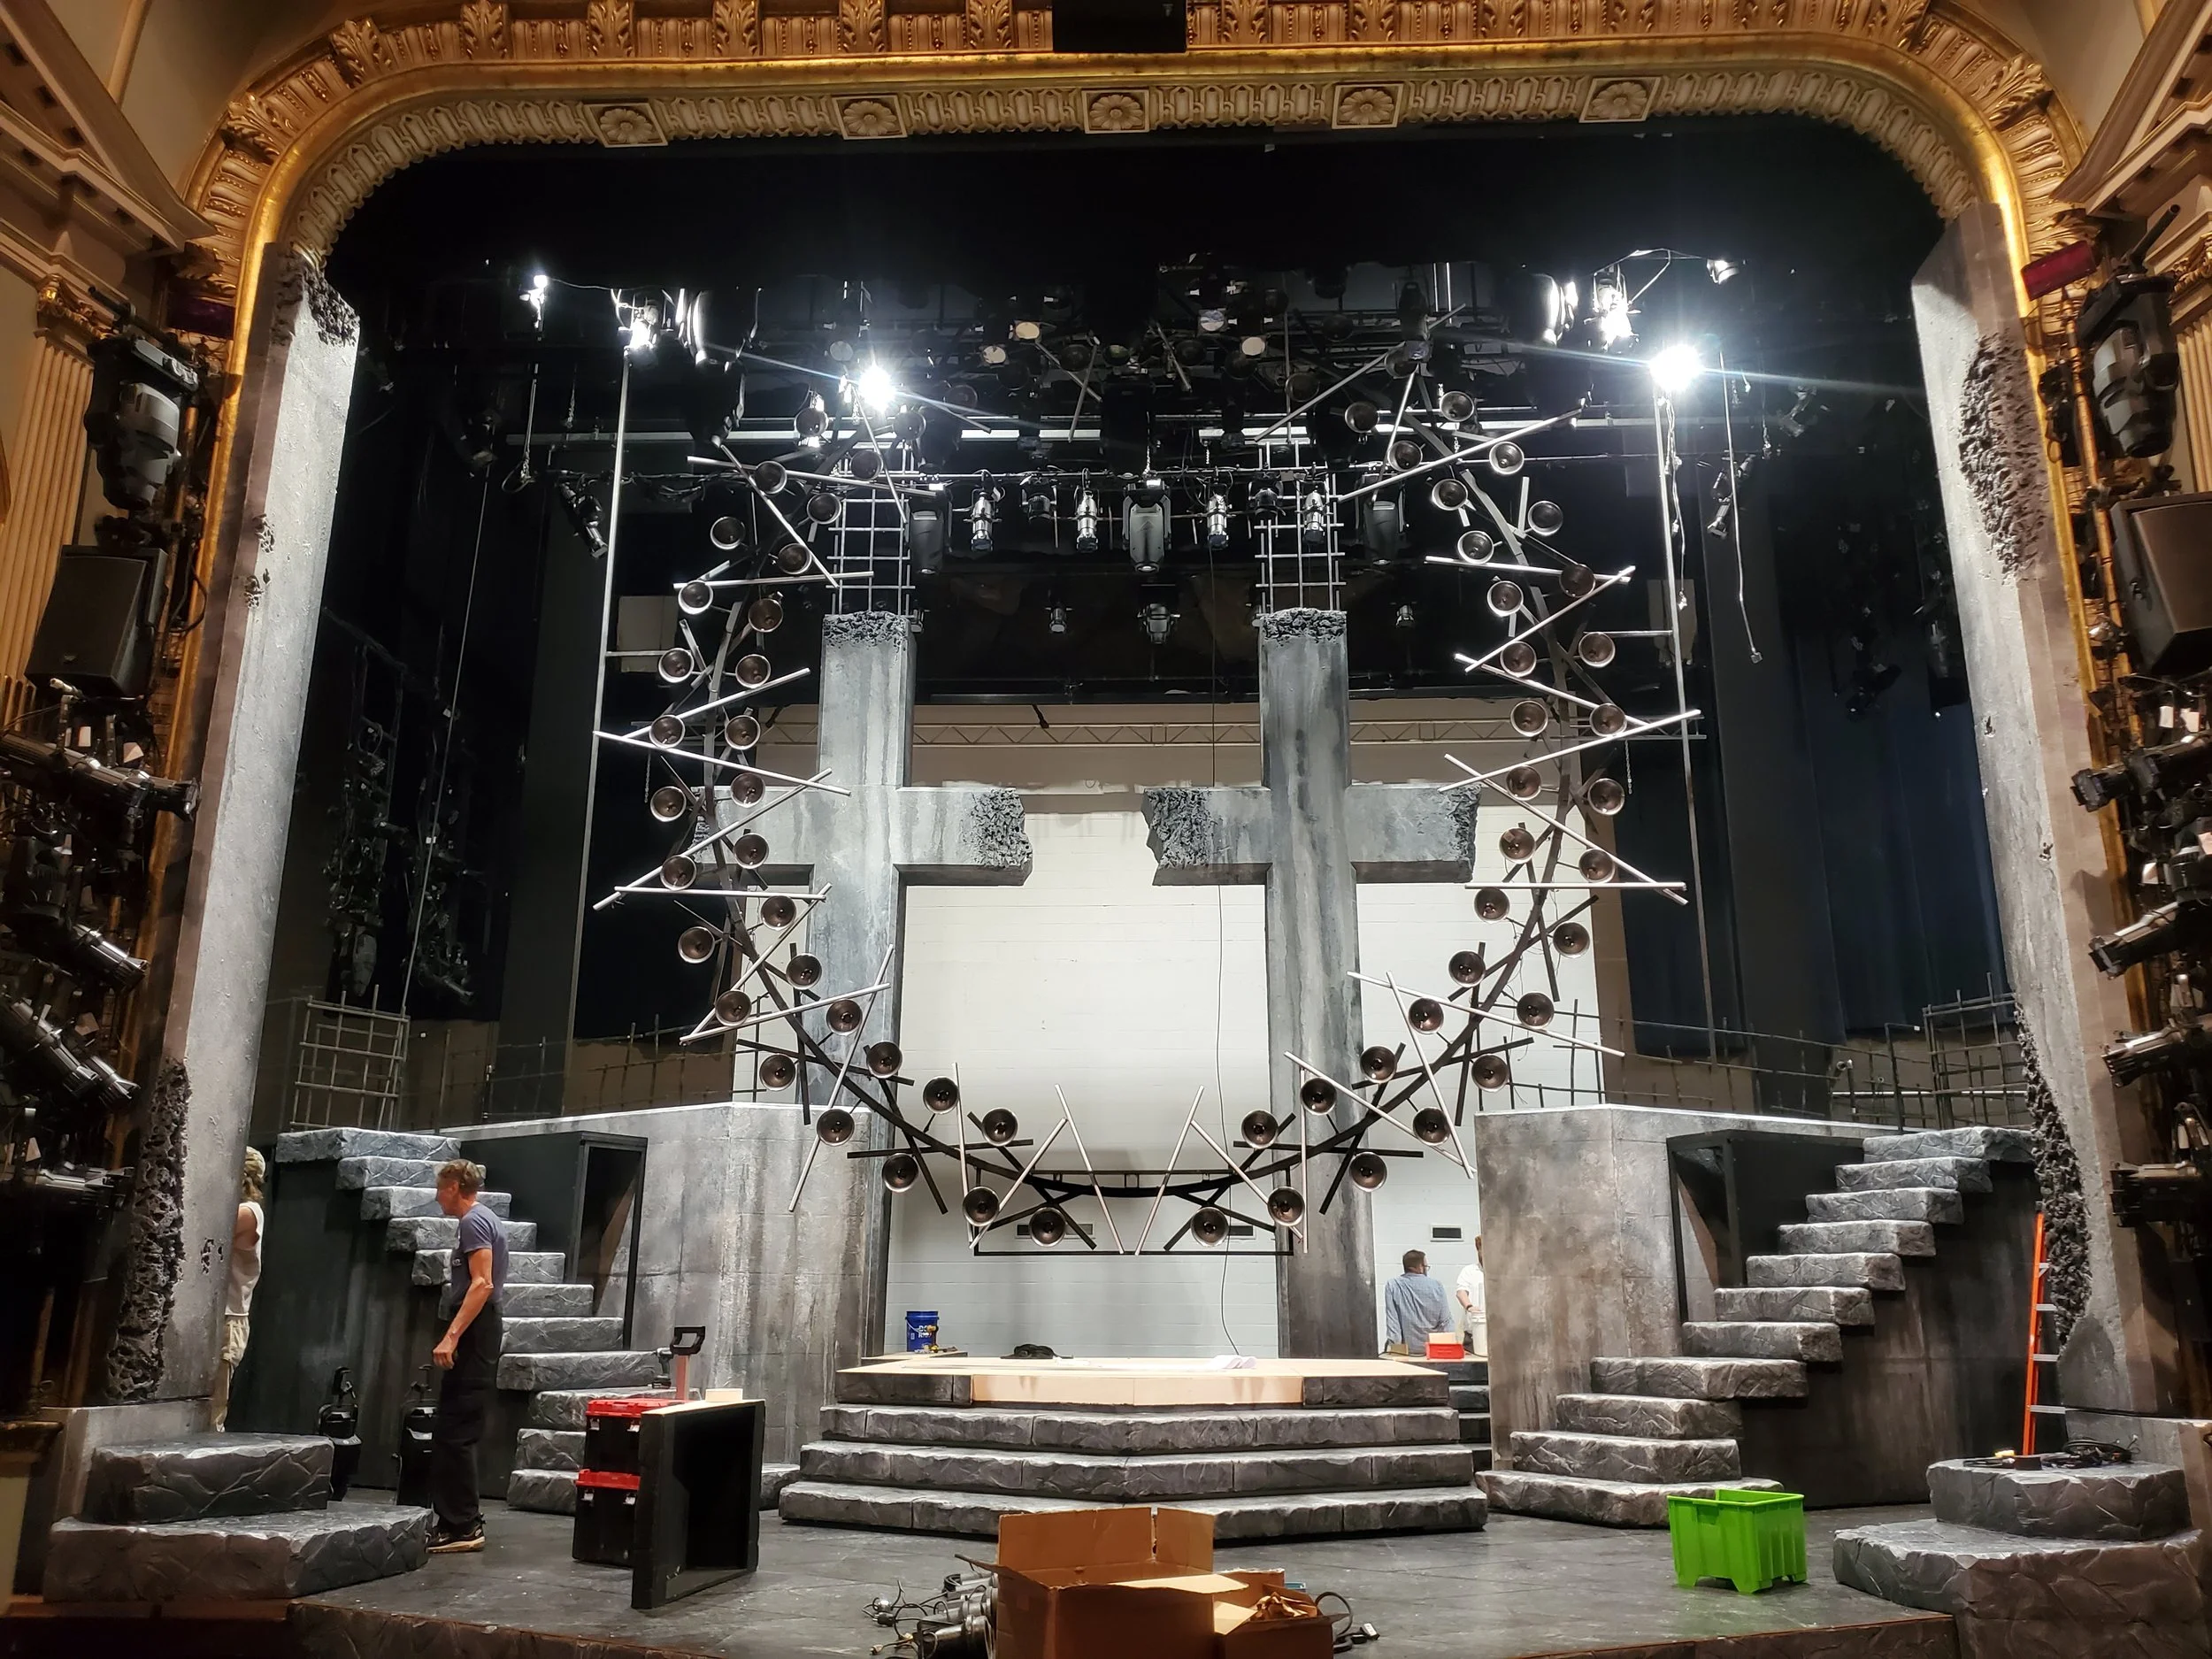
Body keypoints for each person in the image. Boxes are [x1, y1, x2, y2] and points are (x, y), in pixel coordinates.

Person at [426, 1157, 506, 1555]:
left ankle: (462, 1525)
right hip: (479, 1329)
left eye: (440, 1188)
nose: (437, 1196)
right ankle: (458, 1521)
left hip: (477, 1330)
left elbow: (482, 1284)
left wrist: (451, 1336)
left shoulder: (474, 1221)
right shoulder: (479, 1220)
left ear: (455, 1186)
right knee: (454, 1429)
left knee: (455, 1432)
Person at [211, 1148, 265, 1430]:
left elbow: (208, 1229)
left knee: (210, 1415)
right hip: (216, 1318)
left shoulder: (248, 1212)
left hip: (228, 1321)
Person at [1382, 1248, 1451, 1355]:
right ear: (1419, 1267)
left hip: (1406, 1351)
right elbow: (1446, 1322)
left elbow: (1393, 1323)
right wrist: (1448, 1348)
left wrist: (1395, 1349)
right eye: (1426, 1266)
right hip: (1434, 1351)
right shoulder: (1437, 1286)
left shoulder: (1393, 1285)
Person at [1455, 1235, 1487, 1360]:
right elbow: (1461, 1291)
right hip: (1473, 1333)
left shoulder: (1502, 1272)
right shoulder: (1469, 1271)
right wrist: (1469, 1306)